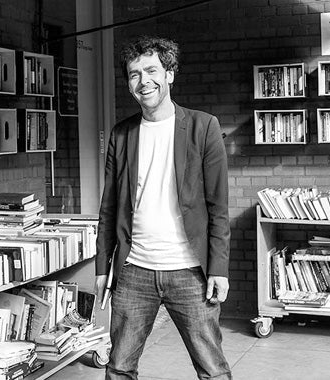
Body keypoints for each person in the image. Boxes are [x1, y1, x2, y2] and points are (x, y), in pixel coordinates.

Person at [95, 35, 232, 380]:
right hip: (134, 271)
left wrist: (219, 268)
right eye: (134, 74)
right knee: (120, 368)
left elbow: (218, 206)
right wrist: (102, 267)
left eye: (152, 70)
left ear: (170, 74)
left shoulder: (204, 127)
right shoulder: (121, 134)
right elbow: (109, 208)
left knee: (212, 370)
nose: (144, 81)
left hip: (189, 272)